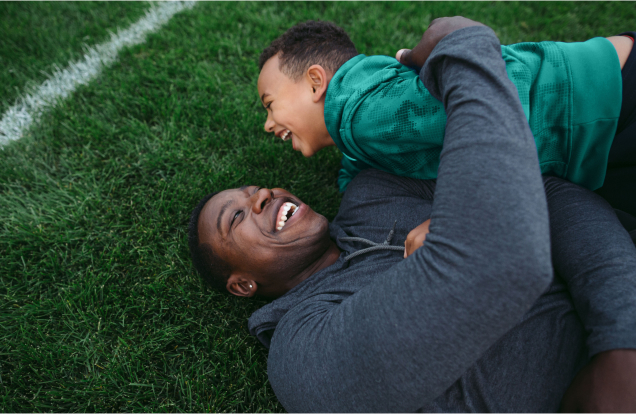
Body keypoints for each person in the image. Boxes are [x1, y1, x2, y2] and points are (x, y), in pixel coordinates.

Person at [190, 19, 636, 411]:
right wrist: (462, 46)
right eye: (236, 218)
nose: (263, 195)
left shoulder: (371, 187)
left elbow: (553, 194)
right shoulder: (301, 349)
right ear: (243, 283)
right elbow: (502, 263)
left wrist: (620, 343)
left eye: (254, 190)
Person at [256, 20, 636, 217]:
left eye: (270, 104)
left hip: (598, 105)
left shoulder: (364, 116)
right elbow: (361, 170)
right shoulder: (358, 121)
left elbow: (485, 115)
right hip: (597, 104)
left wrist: (456, 217)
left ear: (315, 83)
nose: (268, 125)